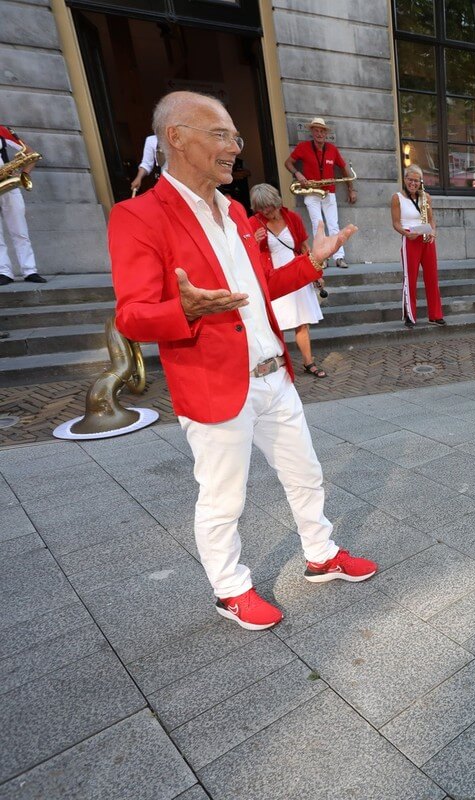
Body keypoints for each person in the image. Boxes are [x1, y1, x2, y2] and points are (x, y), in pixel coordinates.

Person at [109, 91, 376, 631]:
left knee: (306, 474)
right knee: (223, 498)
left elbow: (258, 288)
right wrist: (179, 309)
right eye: (221, 134)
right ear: (177, 138)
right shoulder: (136, 215)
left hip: (273, 372)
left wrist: (309, 264)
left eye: (235, 136)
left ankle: (321, 555)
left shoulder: (235, 211)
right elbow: (131, 316)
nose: (235, 145)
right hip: (213, 381)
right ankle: (230, 590)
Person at [248, 183, 327, 378]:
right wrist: (253, 242)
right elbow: (243, 253)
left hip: (297, 274)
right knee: (276, 324)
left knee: (302, 322)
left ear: (276, 202)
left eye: (269, 206)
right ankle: (280, 364)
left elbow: (303, 247)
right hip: (274, 278)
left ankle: (309, 362)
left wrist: (316, 272)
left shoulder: (292, 217)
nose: (266, 211)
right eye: (261, 208)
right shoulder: (252, 223)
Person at [285, 117, 356, 268]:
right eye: (316, 130)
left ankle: (339, 257)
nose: (319, 133)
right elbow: (288, 162)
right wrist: (298, 174)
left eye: (322, 131)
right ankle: (322, 258)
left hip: (329, 192)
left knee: (333, 225)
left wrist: (351, 189)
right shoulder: (303, 147)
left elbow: (344, 169)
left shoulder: (332, 149)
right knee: (318, 226)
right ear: (311, 132)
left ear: (325, 133)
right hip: (311, 192)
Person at [390, 165, 444, 327]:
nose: (413, 183)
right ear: (405, 180)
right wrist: (406, 233)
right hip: (410, 238)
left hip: (426, 238)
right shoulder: (397, 198)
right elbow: (396, 223)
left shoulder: (426, 196)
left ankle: (435, 315)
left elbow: (431, 219)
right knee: (410, 278)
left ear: (421, 181)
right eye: (410, 180)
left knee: (432, 277)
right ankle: (409, 315)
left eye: (416, 180)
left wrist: (433, 231)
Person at [0, 124, 43, 285]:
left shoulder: (2, 131)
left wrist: (24, 173)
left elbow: (30, 154)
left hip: (7, 183)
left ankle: (30, 270)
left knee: (20, 230)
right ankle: (4, 272)